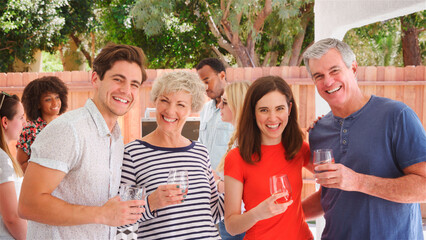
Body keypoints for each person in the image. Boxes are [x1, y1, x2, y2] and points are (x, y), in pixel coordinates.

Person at [18, 44, 148, 240]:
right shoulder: (68, 130)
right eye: (118, 79)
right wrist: (102, 214)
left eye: (134, 84)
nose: (126, 90)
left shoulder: (116, 137)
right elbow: (28, 204)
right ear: (96, 79)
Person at [302, 38, 426, 239]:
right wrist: (281, 216)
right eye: (319, 75)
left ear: (353, 68)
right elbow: (331, 196)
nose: (328, 81)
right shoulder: (318, 131)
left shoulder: (397, 116)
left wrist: (358, 182)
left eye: (335, 71)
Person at [121, 71, 224, 239]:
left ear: (192, 109)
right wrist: (152, 202)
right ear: (155, 101)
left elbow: (212, 213)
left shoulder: (200, 152)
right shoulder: (133, 153)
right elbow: (122, 220)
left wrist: (235, 190)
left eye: (181, 105)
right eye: (164, 101)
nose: (170, 111)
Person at [224, 76, 314, 239]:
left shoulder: (298, 148)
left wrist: (326, 131)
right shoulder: (236, 157)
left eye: (279, 108)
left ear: (289, 108)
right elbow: (231, 226)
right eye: (264, 110)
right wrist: (258, 214)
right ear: (253, 112)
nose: (273, 118)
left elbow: (333, 175)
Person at [216, 81, 251, 240]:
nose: (219, 106)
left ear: (238, 105)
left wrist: (216, 182)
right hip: (232, 218)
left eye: (224, 102)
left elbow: (244, 187)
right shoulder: (241, 138)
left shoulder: (245, 142)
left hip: (240, 223)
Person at [16, 76, 68, 172]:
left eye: (57, 97)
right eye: (48, 99)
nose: (55, 103)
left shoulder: (64, 125)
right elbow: (20, 164)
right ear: (38, 104)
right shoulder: (31, 129)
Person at [196, 58, 234, 170]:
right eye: (201, 84)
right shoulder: (204, 109)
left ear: (222, 76)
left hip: (229, 182)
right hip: (206, 181)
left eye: (207, 81)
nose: (205, 88)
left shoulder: (239, 106)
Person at [0, 92, 27, 240]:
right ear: (5, 122)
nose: (25, 123)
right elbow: (11, 217)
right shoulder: (2, 160)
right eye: (21, 117)